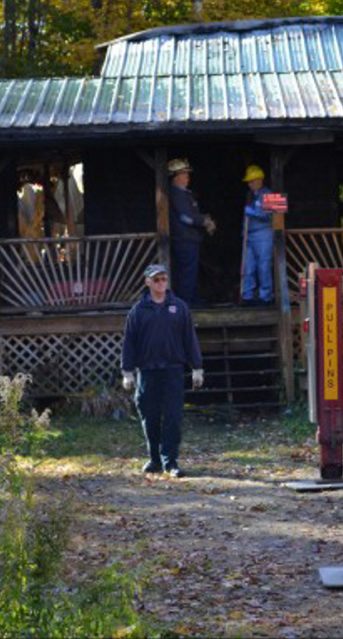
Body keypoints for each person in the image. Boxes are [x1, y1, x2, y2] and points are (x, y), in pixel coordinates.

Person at [121, 264, 205, 477]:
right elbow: (129, 343)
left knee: (173, 417)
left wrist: (197, 367)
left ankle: (171, 461)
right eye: (156, 279)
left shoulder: (179, 307)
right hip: (147, 372)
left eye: (164, 279)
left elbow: (189, 339)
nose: (161, 283)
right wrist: (127, 372)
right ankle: (154, 460)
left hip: (173, 370)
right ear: (147, 282)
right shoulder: (138, 311)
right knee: (149, 416)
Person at [168, 158, 216, 307]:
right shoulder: (177, 194)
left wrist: (202, 219)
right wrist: (204, 221)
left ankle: (193, 299)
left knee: (191, 271)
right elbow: (186, 217)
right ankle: (186, 302)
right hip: (184, 239)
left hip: (189, 239)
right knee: (186, 272)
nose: (188, 177)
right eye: (184, 174)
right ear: (176, 177)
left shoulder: (183, 194)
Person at [240, 164, 274, 306]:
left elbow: (271, 215)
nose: (249, 184)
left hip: (263, 234)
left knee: (263, 266)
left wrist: (254, 212)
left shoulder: (268, 194)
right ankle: (247, 295)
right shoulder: (250, 196)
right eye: (248, 182)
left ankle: (265, 296)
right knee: (248, 267)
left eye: (252, 181)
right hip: (249, 234)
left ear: (259, 180)